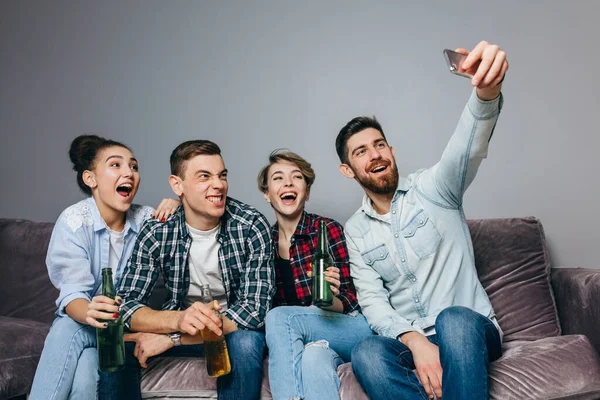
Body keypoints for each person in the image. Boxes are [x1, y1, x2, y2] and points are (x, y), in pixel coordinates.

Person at [336, 41, 509, 400]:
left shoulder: (434, 189)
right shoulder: (355, 231)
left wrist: (486, 92)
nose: (374, 155)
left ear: (392, 151)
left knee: (454, 320)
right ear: (348, 170)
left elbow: (466, 147)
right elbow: (373, 303)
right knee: (367, 352)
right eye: (361, 151)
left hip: (470, 331)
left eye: (380, 144)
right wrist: (416, 342)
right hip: (413, 338)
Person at [99, 139, 275, 400]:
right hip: (181, 322)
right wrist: (177, 322)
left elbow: (253, 312)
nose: (218, 184)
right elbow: (125, 304)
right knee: (118, 345)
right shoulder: (159, 229)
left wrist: (173, 337)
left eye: (222, 175)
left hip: (231, 330)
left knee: (247, 343)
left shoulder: (249, 224)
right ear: (177, 185)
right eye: (204, 176)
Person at [29, 134, 179, 400]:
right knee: (80, 354)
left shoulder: (148, 220)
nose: (129, 173)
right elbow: (72, 296)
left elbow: (190, 235)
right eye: (116, 165)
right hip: (86, 322)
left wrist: (179, 205)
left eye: (133, 166)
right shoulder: (75, 221)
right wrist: (93, 313)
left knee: (79, 352)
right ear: (91, 179)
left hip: (129, 324)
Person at [258, 150, 373, 400]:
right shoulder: (263, 242)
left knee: (278, 318)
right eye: (278, 178)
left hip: (348, 325)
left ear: (306, 191)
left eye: (296, 177)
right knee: (313, 357)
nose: (288, 183)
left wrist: (331, 298)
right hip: (308, 339)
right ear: (267, 193)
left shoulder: (327, 229)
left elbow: (352, 299)